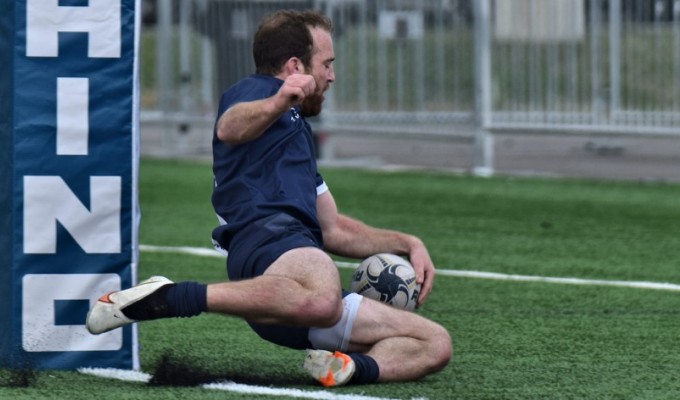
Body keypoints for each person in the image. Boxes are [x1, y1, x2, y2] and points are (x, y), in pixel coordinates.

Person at [87, 9, 452, 387]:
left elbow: (333, 227)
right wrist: (280, 99)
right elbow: (229, 126)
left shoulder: (297, 133)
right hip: (267, 246)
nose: (332, 75)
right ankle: (175, 297)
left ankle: (345, 366)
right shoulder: (258, 90)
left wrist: (407, 244)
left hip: (292, 291)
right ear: (295, 67)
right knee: (324, 294)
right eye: (326, 64)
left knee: (433, 342)